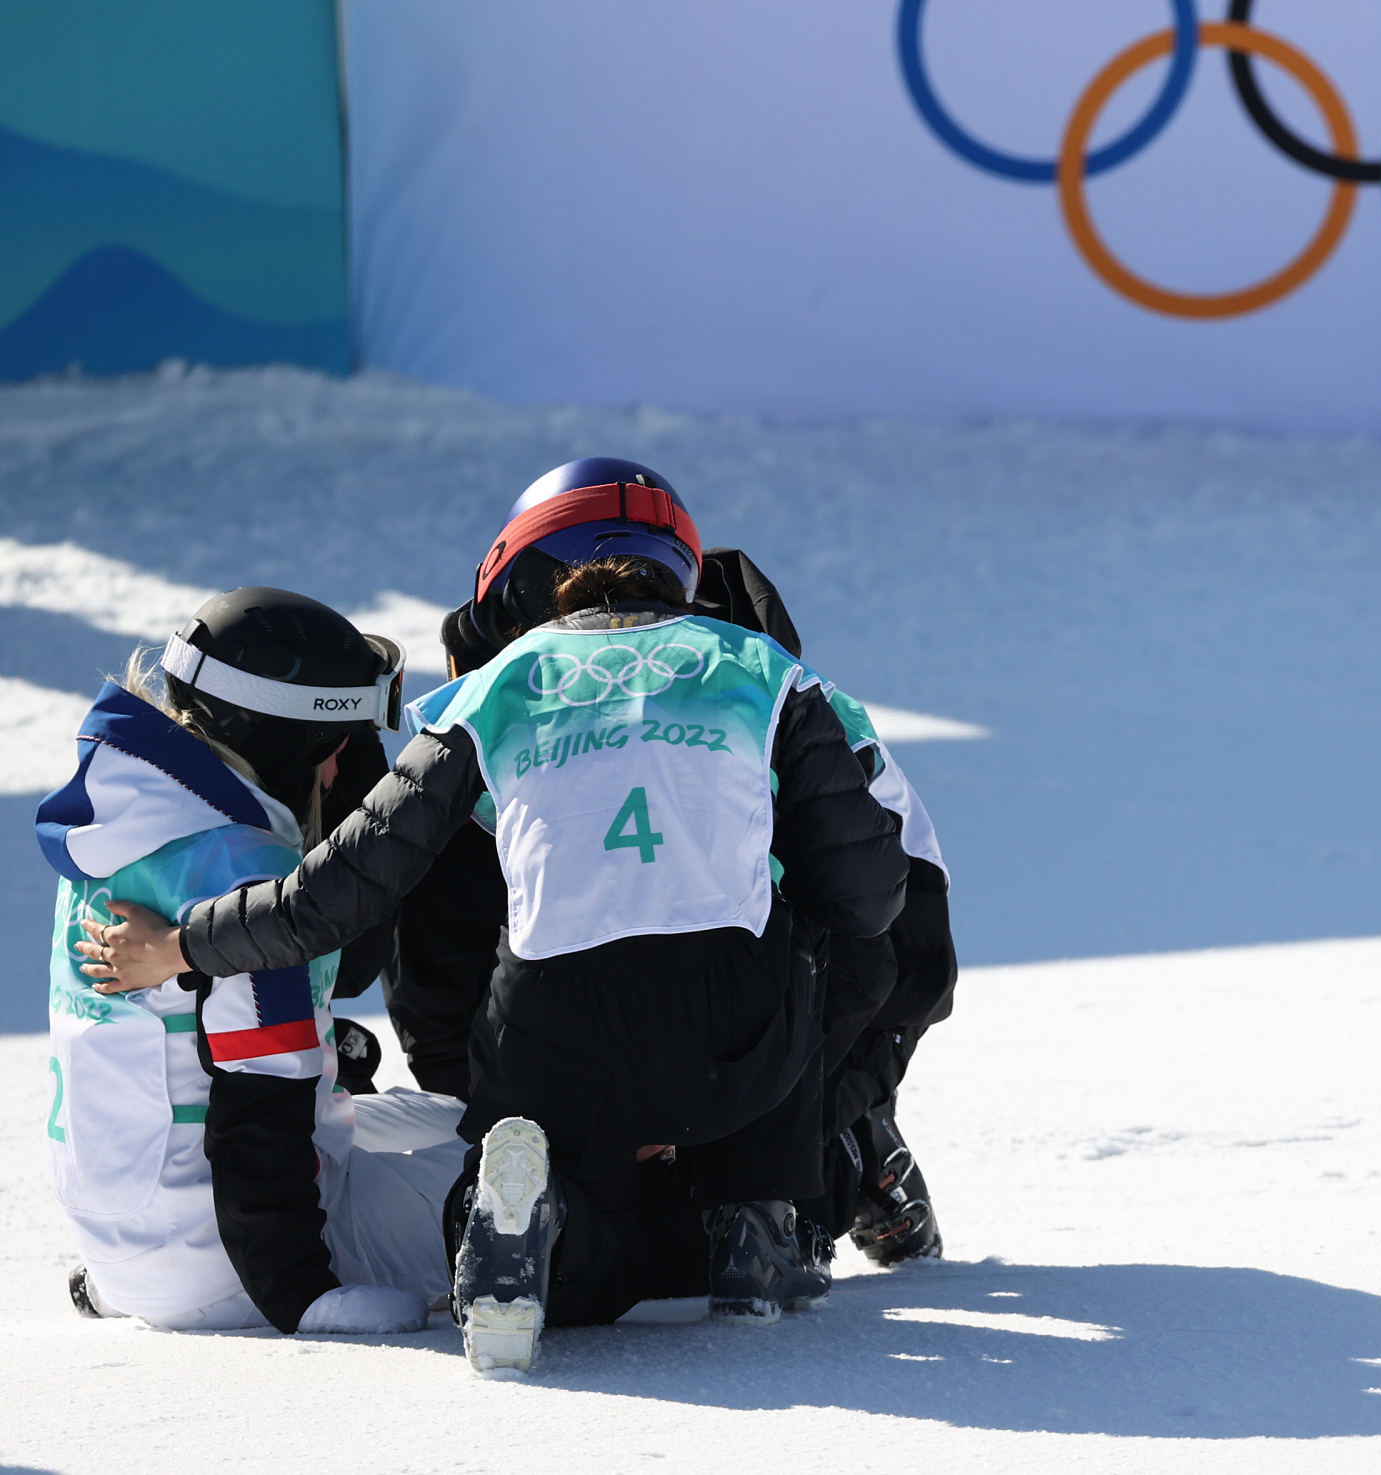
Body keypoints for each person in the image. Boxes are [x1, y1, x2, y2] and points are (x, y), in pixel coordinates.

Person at [86, 461, 911, 1374]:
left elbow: (336, 897)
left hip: (554, 1048)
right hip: (740, 1042)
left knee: (564, 1172)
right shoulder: (766, 668)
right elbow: (871, 896)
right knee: (801, 928)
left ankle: (529, 1205)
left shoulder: (491, 688)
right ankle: (760, 1216)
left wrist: (180, 944)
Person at [390, 535, 958, 1269]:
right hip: (584, 1081)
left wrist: (828, 1107)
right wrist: (563, 1122)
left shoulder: (777, 697)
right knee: (615, 1246)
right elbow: (435, 991)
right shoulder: (491, 723)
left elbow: (900, 946)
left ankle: (843, 1164)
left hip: (757, 1075)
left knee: (758, 1198)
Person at [44, 588, 465, 1336]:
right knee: (525, 1179)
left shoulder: (126, 820)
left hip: (125, 1234)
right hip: (231, 1258)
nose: (338, 777)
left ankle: (142, 1282)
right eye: (333, 750)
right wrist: (301, 1291)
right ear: (292, 745)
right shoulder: (248, 871)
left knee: (463, 1121)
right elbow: (261, 1103)